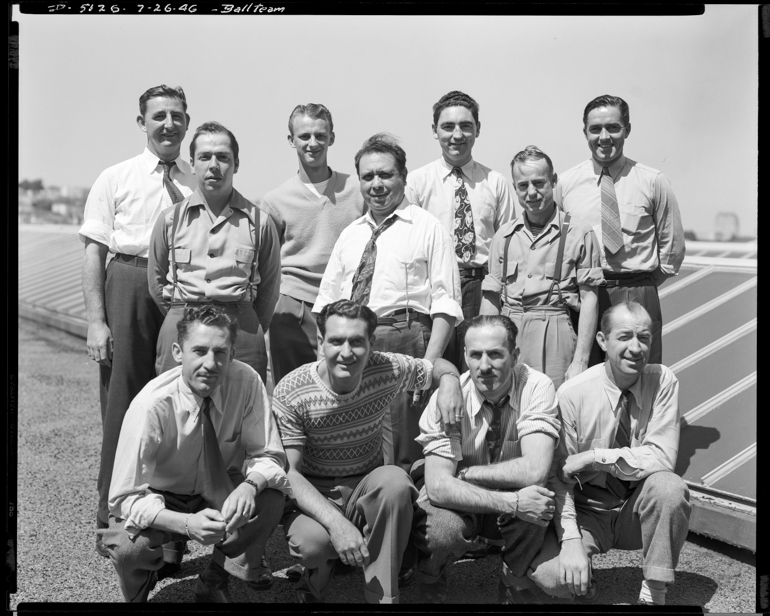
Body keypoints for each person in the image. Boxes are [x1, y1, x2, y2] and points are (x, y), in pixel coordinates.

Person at [272, 299, 463, 604]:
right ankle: (319, 571)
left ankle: (382, 595)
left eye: (357, 342)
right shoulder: (292, 391)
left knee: (396, 482)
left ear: (372, 343)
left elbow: (437, 366)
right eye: (336, 341)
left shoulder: (386, 368)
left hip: (367, 485)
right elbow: (290, 475)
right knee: (312, 545)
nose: (346, 352)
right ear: (321, 343)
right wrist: (338, 526)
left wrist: (451, 383)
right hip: (315, 489)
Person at [99, 305, 291, 603]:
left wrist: (249, 485)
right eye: (199, 351)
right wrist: (186, 524)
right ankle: (137, 594)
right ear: (178, 352)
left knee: (269, 499)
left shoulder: (248, 381)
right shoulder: (151, 405)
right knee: (128, 547)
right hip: (162, 496)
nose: (210, 364)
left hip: (218, 489)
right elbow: (124, 498)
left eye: (220, 352)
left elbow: (269, 454)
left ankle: (214, 579)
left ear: (232, 353)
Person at [79, 85, 197, 557]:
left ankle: (168, 528)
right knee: (122, 404)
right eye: (158, 116)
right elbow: (94, 251)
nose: (168, 124)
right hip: (127, 284)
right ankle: (113, 517)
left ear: (187, 122)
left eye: (177, 116)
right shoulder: (116, 177)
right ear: (142, 122)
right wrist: (96, 321)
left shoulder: (196, 178)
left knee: (177, 403)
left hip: (179, 290)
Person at [313, 133, 463, 471]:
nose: (376, 184)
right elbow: (326, 301)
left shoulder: (429, 228)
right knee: (355, 433)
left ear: (403, 177)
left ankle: (408, 511)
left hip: (405, 337)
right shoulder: (351, 234)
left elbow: (446, 304)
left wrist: (427, 367)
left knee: (403, 445)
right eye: (368, 177)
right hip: (352, 344)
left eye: (385, 175)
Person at [526, 301, 691, 606]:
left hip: (635, 506)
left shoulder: (663, 380)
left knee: (670, 487)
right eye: (624, 337)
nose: (636, 348)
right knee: (553, 578)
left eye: (644, 338)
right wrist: (572, 540)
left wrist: (595, 457)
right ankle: (584, 581)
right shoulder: (572, 393)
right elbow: (559, 477)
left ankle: (654, 593)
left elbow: (662, 457)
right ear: (602, 341)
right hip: (588, 508)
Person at [412, 315, 561, 604]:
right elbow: (439, 487)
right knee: (442, 529)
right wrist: (513, 503)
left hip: (476, 484)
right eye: (476, 355)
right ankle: (431, 576)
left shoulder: (537, 386)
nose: (484, 366)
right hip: (461, 502)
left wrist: (466, 474)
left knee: (538, 497)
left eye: (495, 354)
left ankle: (513, 580)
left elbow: (535, 471)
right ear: (465, 355)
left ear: (515, 355)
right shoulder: (448, 399)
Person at [555, 94, 685, 364]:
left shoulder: (652, 181)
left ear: (627, 129)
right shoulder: (566, 184)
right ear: (585, 133)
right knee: (587, 377)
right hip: (586, 295)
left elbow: (672, 250)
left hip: (638, 291)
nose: (604, 137)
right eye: (595, 129)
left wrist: (639, 284)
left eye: (613, 127)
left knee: (641, 377)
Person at [148, 121, 281, 385]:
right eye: (205, 157)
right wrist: (179, 312)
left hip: (240, 332)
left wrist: (247, 322)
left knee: (240, 415)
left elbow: (270, 290)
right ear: (192, 163)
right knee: (176, 413)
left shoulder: (260, 222)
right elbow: (155, 282)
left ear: (236, 164)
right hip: (181, 326)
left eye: (223, 157)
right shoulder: (170, 220)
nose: (214, 165)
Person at [406, 90, 515, 371]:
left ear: (477, 129)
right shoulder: (417, 183)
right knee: (436, 371)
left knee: (481, 369)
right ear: (434, 130)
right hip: (435, 288)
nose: (457, 135)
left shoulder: (495, 182)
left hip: (482, 289)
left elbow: (508, 246)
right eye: (448, 126)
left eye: (466, 126)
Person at [481, 146, 603, 390]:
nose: (532, 193)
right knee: (506, 411)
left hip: (556, 330)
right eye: (523, 186)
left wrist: (580, 360)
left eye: (539, 183)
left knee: (555, 411)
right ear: (514, 188)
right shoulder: (503, 236)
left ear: (554, 181)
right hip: (508, 331)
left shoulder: (579, 233)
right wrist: (482, 349)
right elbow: (491, 299)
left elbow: (590, 299)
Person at [262, 104, 366, 388]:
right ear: (291, 140)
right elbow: (267, 264)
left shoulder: (357, 191)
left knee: (345, 392)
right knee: (291, 390)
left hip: (346, 305)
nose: (313, 143)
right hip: (293, 306)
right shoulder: (275, 200)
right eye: (304, 136)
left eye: (320, 135)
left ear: (332, 138)